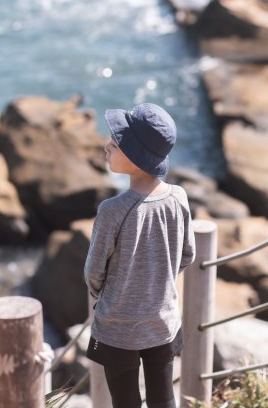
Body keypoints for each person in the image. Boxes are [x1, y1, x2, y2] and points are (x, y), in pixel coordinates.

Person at [84, 102, 196, 408]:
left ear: (135, 157)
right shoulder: (179, 198)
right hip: (162, 320)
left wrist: (105, 294)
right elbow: (187, 254)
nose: (107, 145)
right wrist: (156, 285)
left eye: (116, 142)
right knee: (164, 398)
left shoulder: (112, 211)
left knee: (125, 402)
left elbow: (94, 272)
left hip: (118, 327)